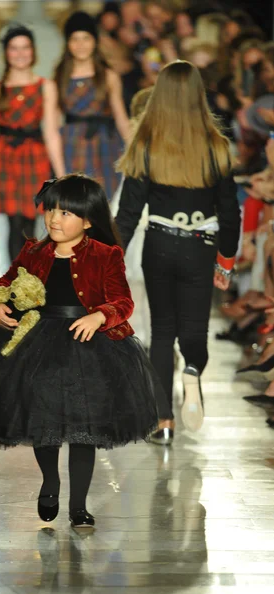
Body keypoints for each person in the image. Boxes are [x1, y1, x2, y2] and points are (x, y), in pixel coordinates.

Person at [0, 174, 165, 528]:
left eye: (66, 213)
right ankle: (50, 481)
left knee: (83, 427)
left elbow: (122, 299)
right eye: (51, 210)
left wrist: (100, 315)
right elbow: (7, 281)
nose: (55, 219)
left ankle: (78, 505)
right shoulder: (34, 251)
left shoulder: (106, 255)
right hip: (40, 342)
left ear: (88, 220)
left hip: (89, 346)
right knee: (44, 421)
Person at [116, 60, 241, 444]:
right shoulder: (217, 147)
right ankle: (193, 371)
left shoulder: (145, 145)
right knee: (194, 330)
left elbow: (127, 215)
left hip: (159, 242)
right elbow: (229, 212)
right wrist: (227, 262)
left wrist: (110, 260)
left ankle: (163, 421)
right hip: (200, 246)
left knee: (161, 332)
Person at [0, 23, 65, 262]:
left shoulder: (45, 86)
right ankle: (19, 285)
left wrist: (63, 175)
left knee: (31, 222)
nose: (20, 53)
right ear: (6, 53)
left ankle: (29, 282)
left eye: (25, 47)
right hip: (4, 158)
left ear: (33, 51)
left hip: (34, 158)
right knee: (15, 222)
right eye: (14, 48)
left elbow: (51, 132)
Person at [54, 11, 129, 201]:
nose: (80, 45)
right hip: (70, 145)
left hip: (104, 146)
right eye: (75, 39)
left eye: (86, 38)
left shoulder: (108, 76)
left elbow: (121, 118)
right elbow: (53, 123)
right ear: (67, 43)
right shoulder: (60, 76)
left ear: (95, 41)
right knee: (73, 205)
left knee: (100, 205)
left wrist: (136, 151)